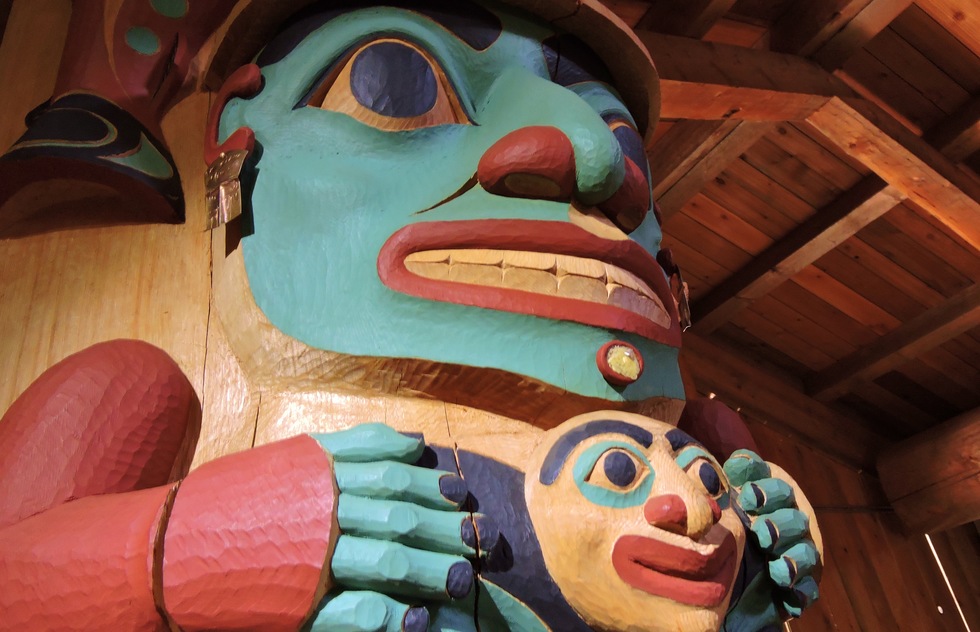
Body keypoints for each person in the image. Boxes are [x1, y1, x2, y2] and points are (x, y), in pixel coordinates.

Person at [0, 1, 820, 630]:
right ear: (230, 161)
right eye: (392, 82)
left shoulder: (701, 441)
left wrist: (756, 546)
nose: (594, 162)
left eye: (626, 144)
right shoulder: (128, 388)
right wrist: (182, 547)